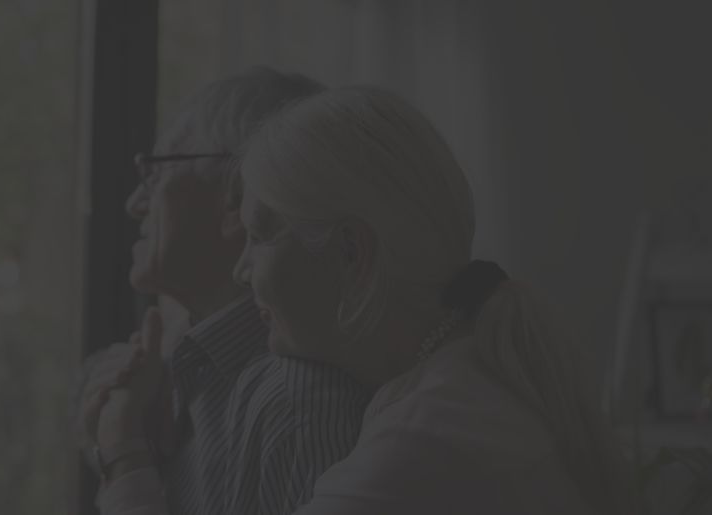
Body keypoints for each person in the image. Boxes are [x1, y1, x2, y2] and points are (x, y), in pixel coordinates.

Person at [89, 86, 636, 515]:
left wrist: (123, 451)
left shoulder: (421, 443)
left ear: (351, 252)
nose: (241, 266)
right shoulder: (463, 379)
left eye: (259, 235)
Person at [76, 69, 375, 515]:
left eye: (156, 173)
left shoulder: (298, 408)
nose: (135, 203)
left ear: (237, 196)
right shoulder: (183, 373)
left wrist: (124, 455)